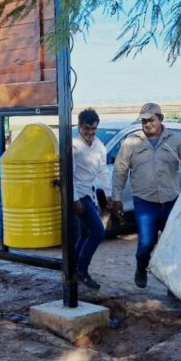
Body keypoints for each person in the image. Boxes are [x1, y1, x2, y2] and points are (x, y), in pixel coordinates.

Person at [111, 103, 181, 288]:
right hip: (145, 203)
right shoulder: (131, 142)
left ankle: (173, 284)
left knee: (173, 245)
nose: (147, 124)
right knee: (146, 243)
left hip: (171, 201)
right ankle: (141, 267)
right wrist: (117, 197)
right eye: (144, 121)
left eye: (151, 120)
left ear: (160, 119)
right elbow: (120, 170)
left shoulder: (176, 141)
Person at [72, 108, 109, 290]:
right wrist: (74, 200)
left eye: (93, 129)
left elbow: (103, 171)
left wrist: (109, 195)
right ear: (80, 126)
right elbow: (67, 174)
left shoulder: (99, 146)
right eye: (86, 129)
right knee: (98, 232)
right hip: (79, 195)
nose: (90, 133)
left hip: (90, 193)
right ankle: (81, 270)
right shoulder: (73, 145)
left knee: (86, 234)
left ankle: (72, 268)